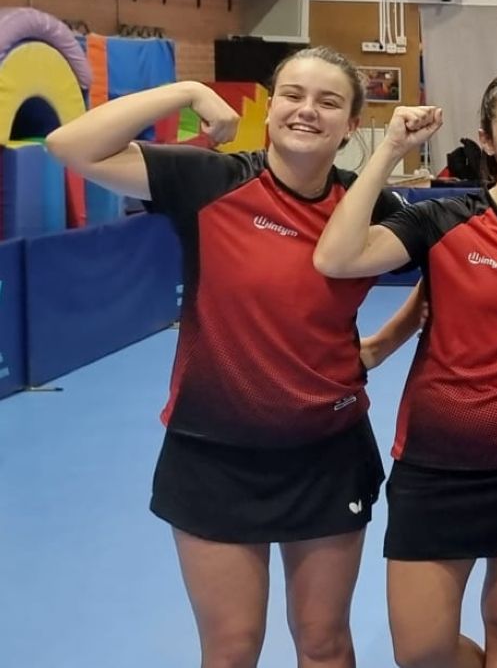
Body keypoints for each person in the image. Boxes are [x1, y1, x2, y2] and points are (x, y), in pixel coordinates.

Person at [45, 46, 417, 668]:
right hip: (211, 454)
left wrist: (383, 342)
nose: (307, 110)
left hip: (327, 452)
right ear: (270, 108)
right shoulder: (211, 181)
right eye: (293, 95)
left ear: (353, 124)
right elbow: (69, 147)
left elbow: (447, 272)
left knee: (324, 643)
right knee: (231, 648)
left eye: (329, 101)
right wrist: (185, 90)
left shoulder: (370, 205)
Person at [312, 74, 497, 668]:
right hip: (437, 463)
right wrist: (390, 150)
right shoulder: (442, 220)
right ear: (488, 141)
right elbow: (337, 257)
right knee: (420, 652)